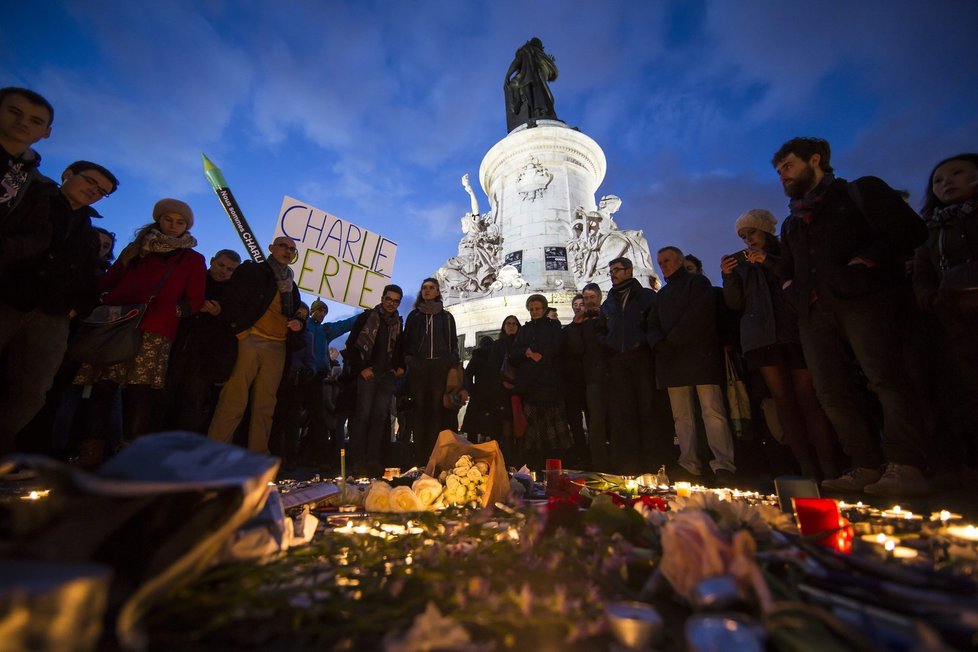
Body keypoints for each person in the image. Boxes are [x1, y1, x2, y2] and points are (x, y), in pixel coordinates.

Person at [773, 137, 930, 496]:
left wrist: (864, 263)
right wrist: (790, 289)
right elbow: (786, 265)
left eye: (789, 166)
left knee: (886, 378)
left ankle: (906, 464)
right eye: (779, 170)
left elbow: (911, 231)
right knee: (831, 390)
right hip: (815, 311)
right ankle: (864, 464)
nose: (783, 175)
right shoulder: (792, 222)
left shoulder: (861, 192)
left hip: (866, 302)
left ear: (816, 160)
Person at [74, 198, 206, 462]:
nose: (173, 226)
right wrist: (104, 302)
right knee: (103, 387)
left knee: (139, 391)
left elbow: (195, 299)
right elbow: (109, 280)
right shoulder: (136, 250)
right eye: (169, 219)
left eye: (180, 222)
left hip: (155, 329)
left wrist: (174, 311)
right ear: (159, 219)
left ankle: (130, 455)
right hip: (118, 323)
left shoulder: (192, 258)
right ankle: (91, 453)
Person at [0, 160, 118, 454]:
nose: (94, 191)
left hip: (52, 317)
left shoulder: (88, 232)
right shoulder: (32, 199)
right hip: (9, 300)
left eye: (101, 191)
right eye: (91, 182)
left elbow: (89, 279)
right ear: (68, 175)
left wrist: (76, 309)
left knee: (34, 388)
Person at [721, 209, 840, 480]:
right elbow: (735, 303)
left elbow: (798, 278)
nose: (747, 239)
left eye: (751, 232)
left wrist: (769, 261)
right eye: (742, 235)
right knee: (784, 403)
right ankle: (805, 466)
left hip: (794, 332)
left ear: (765, 229)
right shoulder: (742, 265)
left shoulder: (786, 251)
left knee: (809, 400)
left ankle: (829, 464)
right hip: (763, 339)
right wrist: (728, 277)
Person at [649, 246, 737, 485]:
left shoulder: (698, 284)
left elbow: (698, 315)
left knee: (713, 412)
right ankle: (689, 463)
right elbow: (652, 323)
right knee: (682, 418)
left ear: (679, 260)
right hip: (672, 360)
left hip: (699, 356)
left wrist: (670, 341)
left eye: (666, 260)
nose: (662, 265)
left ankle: (723, 464)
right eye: (660, 261)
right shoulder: (661, 294)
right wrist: (659, 343)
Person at [207, 236, 303, 454]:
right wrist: (242, 334)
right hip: (251, 341)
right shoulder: (254, 271)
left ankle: (258, 458)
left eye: (292, 249)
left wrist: (300, 321)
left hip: (277, 347)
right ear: (271, 248)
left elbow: (296, 311)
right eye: (283, 246)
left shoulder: (291, 284)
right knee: (233, 401)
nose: (288, 251)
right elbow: (233, 300)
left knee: (265, 406)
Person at [913, 154, 978, 474]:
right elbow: (923, 271)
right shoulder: (932, 229)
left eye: (957, 173)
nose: (947, 182)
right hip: (951, 317)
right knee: (964, 385)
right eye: (938, 180)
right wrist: (929, 296)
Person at [599, 257, 674, 474]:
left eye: (617, 270)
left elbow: (655, 323)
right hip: (618, 361)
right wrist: (608, 344)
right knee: (624, 412)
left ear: (629, 271)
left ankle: (653, 463)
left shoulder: (647, 296)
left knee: (648, 409)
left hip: (641, 358)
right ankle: (629, 464)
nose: (613, 274)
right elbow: (601, 331)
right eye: (611, 270)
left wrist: (640, 341)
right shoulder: (608, 302)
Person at [162, 249, 241, 433]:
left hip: (204, 360)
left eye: (230, 269)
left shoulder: (233, 295)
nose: (224, 271)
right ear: (212, 261)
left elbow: (232, 326)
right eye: (221, 265)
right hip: (177, 349)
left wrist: (220, 313)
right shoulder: (194, 280)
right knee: (164, 399)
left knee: (192, 405)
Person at [344, 284, 406, 476]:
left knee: (380, 418)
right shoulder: (367, 317)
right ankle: (358, 461)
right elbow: (352, 343)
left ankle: (373, 459)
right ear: (382, 298)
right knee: (363, 416)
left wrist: (399, 366)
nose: (391, 304)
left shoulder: (398, 323)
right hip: (368, 375)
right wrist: (361, 368)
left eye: (396, 301)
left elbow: (400, 348)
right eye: (389, 299)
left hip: (386, 377)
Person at [508, 294, 571, 470]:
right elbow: (514, 353)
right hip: (530, 387)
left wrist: (538, 354)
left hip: (550, 385)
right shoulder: (525, 330)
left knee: (553, 433)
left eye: (537, 309)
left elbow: (557, 348)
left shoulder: (553, 326)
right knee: (532, 433)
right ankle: (533, 468)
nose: (534, 312)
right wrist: (527, 353)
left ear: (544, 309)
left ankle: (555, 469)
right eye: (531, 309)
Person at [403, 278, 459, 464]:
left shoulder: (446, 317)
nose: (427, 291)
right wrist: (411, 360)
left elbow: (453, 344)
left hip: (439, 368)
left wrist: (448, 361)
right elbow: (407, 341)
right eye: (424, 287)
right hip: (420, 368)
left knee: (436, 411)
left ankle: (434, 456)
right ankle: (419, 455)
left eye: (431, 288)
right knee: (419, 410)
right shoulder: (414, 316)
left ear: (437, 292)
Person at [299, 299, 359, 467]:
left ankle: (319, 457)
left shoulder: (325, 330)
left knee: (318, 418)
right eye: (320, 311)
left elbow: (344, 325)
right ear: (312, 311)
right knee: (295, 416)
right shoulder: (303, 326)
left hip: (317, 377)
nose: (322, 314)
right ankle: (292, 455)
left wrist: (363, 316)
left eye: (325, 312)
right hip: (299, 374)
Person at [0, 87, 55, 268]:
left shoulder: (37, 184)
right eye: (15, 112)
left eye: (35, 120)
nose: (23, 122)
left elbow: (37, 235)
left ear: (46, 132)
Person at [504, 37, 559, 132]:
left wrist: (508, 75)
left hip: (529, 80)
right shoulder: (535, 53)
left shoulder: (526, 51)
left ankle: (520, 105)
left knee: (516, 85)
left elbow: (516, 62)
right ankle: (538, 111)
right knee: (544, 97)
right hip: (536, 82)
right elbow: (548, 69)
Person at [560, 294, 590, 466]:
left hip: (590, 381)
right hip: (572, 383)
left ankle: (594, 454)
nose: (578, 307)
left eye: (581, 304)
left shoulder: (593, 325)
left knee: (593, 421)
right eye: (575, 304)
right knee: (575, 423)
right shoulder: (567, 330)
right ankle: (581, 454)